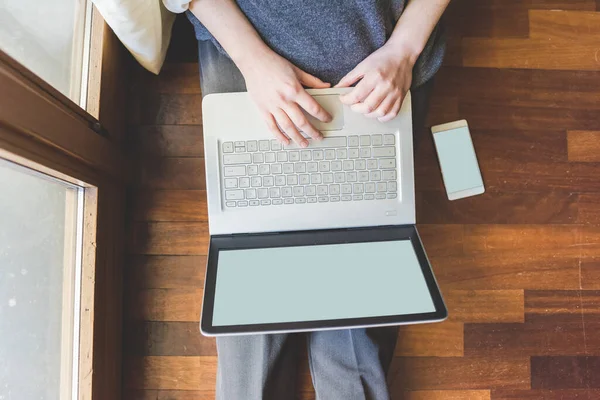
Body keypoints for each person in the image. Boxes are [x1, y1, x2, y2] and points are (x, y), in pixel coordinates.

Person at [163, 1, 450, 399]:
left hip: (384, 59)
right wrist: (253, 59)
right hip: (246, 44)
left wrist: (403, 49)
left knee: (359, 327)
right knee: (250, 304)